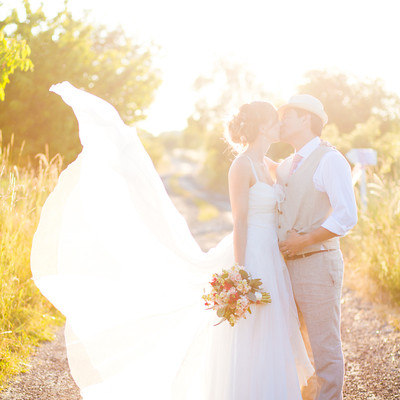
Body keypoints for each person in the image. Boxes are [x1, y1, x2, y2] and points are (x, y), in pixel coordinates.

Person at [31, 82, 313, 400]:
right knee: (250, 334)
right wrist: (242, 272)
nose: (279, 124)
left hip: (273, 258)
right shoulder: (241, 166)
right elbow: (241, 221)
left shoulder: (268, 166)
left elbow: (298, 178)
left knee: (272, 333)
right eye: (275, 120)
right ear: (263, 125)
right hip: (252, 256)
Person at [273, 95, 358, 400]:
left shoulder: (330, 159)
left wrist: (305, 239)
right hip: (286, 267)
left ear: (305, 119)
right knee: (296, 345)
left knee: (323, 346)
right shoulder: (286, 165)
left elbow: (347, 214)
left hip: (318, 263)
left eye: (287, 116)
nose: (280, 122)